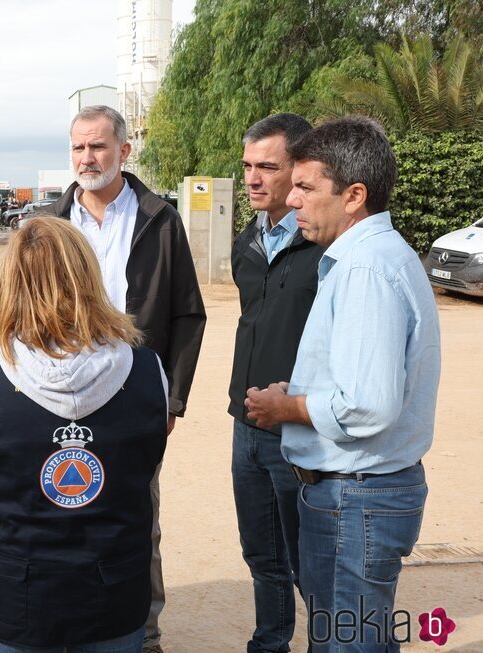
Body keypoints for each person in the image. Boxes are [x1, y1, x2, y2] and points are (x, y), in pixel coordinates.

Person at [245, 116, 441, 653]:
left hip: (356, 496)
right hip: (357, 495)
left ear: (354, 195)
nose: (294, 199)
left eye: (306, 187)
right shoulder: (370, 259)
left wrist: (287, 406)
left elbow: (367, 406)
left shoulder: (364, 269)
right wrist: (303, 390)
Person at [0, 217, 169, 652]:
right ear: (88, 276)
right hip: (114, 590)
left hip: (16, 592)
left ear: (11, 283)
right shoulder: (149, 370)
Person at [45, 104, 206, 653]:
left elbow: (187, 314)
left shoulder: (160, 220)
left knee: (138, 520)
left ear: (123, 150)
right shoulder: (47, 225)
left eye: (98, 146)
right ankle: (67, 626)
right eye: (78, 148)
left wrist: (172, 400)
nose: (87, 158)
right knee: (61, 513)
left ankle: (144, 633)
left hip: (136, 401)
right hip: (57, 398)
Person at [229, 113, 321, 653]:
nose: (254, 179)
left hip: (299, 429)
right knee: (261, 555)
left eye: (268, 166)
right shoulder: (248, 241)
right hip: (246, 425)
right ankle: (269, 644)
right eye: (247, 167)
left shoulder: (325, 247)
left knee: (311, 562)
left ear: (300, 170)